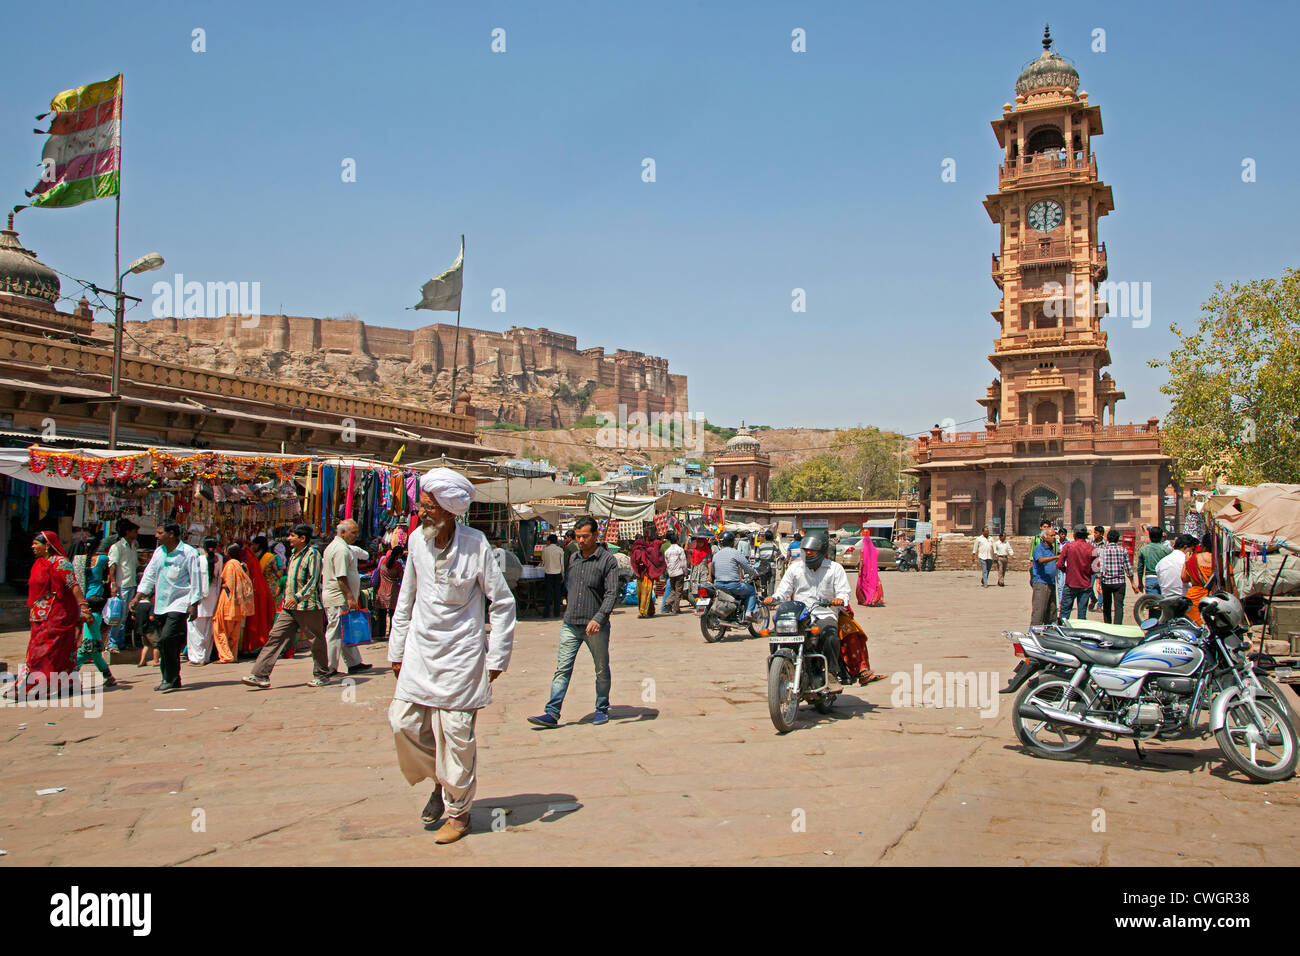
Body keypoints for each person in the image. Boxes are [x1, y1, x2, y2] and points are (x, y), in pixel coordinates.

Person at [389, 468, 515, 844]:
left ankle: (458, 815)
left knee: (457, 736)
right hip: (420, 653)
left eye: (429, 507)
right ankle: (441, 781)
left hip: (462, 656)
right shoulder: (415, 541)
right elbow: (405, 599)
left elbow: (503, 602)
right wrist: (396, 650)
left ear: (449, 510)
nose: (422, 512)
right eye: (422, 505)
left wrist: (497, 658)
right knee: (402, 723)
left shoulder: (476, 545)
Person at [528, 514, 619, 730]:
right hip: (570, 623)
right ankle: (552, 712)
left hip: (595, 626)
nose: (581, 540)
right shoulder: (574, 559)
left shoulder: (607, 561)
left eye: (585, 536)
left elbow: (611, 594)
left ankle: (601, 708)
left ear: (595, 535)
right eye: (578, 537)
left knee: (601, 669)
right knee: (562, 669)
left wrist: (599, 618)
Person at [6, 532, 93, 700]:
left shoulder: (61, 563)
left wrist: (84, 607)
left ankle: (34, 687)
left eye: (35, 544)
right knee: (52, 651)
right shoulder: (39, 563)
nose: (32, 547)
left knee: (44, 653)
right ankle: (67, 685)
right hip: (40, 615)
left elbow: (73, 585)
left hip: (58, 616)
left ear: (47, 545)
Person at [243, 523, 331, 689]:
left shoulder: (313, 554)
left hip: (308, 607)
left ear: (302, 538)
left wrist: (297, 597)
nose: (288, 539)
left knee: (315, 642)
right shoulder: (293, 555)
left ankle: (322, 674)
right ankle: (260, 674)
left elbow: (313, 581)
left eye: (292, 536)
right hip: (289, 607)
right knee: (275, 637)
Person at [764, 530, 852, 691]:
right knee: (776, 634)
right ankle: (779, 670)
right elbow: (783, 591)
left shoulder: (835, 569)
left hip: (824, 613)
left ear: (822, 550)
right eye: (806, 550)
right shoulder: (795, 568)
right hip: (799, 614)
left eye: (813, 550)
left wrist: (839, 599)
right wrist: (774, 598)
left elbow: (844, 592)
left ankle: (831, 673)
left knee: (831, 635)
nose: (809, 553)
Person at [130, 523, 203, 693]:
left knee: (166, 639)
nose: (156, 536)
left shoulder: (188, 553)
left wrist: (194, 605)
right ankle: (170, 678)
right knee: (167, 644)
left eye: (159, 533)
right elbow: (149, 576)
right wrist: (138, 597)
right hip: (161, 604)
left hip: (179, 603)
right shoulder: (158, 552)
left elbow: (196, 580)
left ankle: (170, 677)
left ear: (171, 534)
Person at [323, 519, 371, 676]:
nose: (356, 535)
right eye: (353, 532)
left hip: (340, 597)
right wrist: (350, 597)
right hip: (338, 597)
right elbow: (341, 576)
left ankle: (354, 663)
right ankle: (329, 667)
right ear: (343, 532)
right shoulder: (340, 550)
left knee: (345, 629)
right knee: (335, 632)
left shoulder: (342, 547)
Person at [212, 543, 254, 663]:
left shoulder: (230, 565)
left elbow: (229, 585)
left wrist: (222, 584)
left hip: (228, 601)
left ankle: (226, 656)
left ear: (227, 552)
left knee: (220, 629)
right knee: (234, 632)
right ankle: (233, 655)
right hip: (239, 603)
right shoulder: (242, 565)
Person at [187, 537, 223, 665]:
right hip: (213, 597)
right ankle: (205, 657)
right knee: (208, 629)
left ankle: (197, 658)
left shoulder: (199, 559)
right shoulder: (219, 559)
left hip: (200, 597)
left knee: (195, 628)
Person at [106, 518, 140, 652]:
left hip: (131, 584)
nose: (136, 533)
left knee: (124, 616)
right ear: (127, 532)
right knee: (118, 615)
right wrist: (113, 584)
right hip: (122, 584)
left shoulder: (133, 546)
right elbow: (112, 566)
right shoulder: (117, 547)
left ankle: (120, 642)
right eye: (134, 531)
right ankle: (111, 643)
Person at [711, 531, 759, 622]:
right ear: (732, 542)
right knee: (752, 591)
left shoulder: (716, 555)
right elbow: (747, 567)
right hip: (733, 585)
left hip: (719, 585)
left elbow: (713, 570)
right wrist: (755, 574)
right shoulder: (735, 553)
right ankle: (749, 613)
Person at [1056, 524, 1097, 620]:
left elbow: (1059, 564)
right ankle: (1080, 633)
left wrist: (1067, 571)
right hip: (1085, 585)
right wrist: (1087, 572)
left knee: (1065, 613)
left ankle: (1062, 632)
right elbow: (1096, 568)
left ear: (1074, 535)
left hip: (1070, 584)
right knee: (1082, 614)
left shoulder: (1068, 547)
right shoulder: (1091, 549)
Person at [1096, 529, 1135, 625]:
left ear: (1107, 539)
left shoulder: (1102, 551)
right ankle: (1118, 626)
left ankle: (1108, 625)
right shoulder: (1123, 550)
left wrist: (1098, 583)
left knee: (1107, 606)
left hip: (1106, 582)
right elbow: (1128, 568)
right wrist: (1133, 583)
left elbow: (1099, 568)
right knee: (1119, 607)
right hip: (1119, 582)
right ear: (1118, 539)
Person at [1181, 531, 1218, 625]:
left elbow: (1184, 578)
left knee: (1195, 628)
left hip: (1195, 599)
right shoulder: (1219, 560)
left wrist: (1186, 562)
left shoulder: (1193, 558)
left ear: (1203, 545)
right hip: (1214, 599)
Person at [372, 545, 406, 639]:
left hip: (381, 590)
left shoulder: (382, 561)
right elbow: (402, 578)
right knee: (393, 614)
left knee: (382, 614)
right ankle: (392, 635)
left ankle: (380, 634)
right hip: (393, 591)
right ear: (399, 555)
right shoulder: (398, 565)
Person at [630, 529, 664, 618]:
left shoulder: (639, 550)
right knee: (645, 593)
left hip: (644, 574)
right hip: (646, 574)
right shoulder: (647, 549)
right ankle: (650, 610)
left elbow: (638, 563)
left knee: (644, 593)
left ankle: (642, 612)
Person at [1029, 525, 1060, 627]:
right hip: (1041, 583)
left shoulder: (1051, 548)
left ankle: (1049, 633)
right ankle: (1034, 633)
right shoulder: (1039, 548)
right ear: (1044, 537)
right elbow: (1041, 560)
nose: (1054, 537)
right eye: (1052, 535)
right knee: (1039, 611)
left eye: (1054, 535)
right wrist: (1055, 557)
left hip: (1051, 582)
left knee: (1052, 611)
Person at [1156, 534, 1197, 599]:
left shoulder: (1161, 562)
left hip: (1165, 599)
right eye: (1191, 549)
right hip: (1184, 599)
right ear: (1185, 547)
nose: (1192, 552)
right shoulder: (1187, 561)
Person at [1135, 525, 1171, 597]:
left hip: (1150, 579)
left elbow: (1140, 568)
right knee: (1164, 603)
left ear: (1150, 537)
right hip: (1163, 579)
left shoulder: (1143, 549)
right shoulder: (1167, 550)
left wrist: (1140, 583)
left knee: (1153, 603)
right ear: (1161, 537)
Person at [540, 533, 566, 618]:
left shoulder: (545, 550)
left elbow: (543, 562)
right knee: (557, 594)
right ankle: (556, 612)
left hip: (548, 573)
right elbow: (562, 564)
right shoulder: (560, 550)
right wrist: (563, 574)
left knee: (548, 594)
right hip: (557, 573)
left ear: (549, 541)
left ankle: (546, 613)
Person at [661, 532, 687, 613]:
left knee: (673, 590)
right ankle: (675, 608)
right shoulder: (680, 550)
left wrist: (669, 571)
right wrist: (685, 572)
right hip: (679, 572)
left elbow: (666, 562)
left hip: (671, 573)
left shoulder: (667, 551)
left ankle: (668, 602)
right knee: (678, 591)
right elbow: (683, 562)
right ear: (677, 541)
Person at [855, 535, 884, 606]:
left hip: (864, 571)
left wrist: (859, 570)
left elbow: (862, 561)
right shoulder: (875, 550)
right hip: (873, 571)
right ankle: (874, 599)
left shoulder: (863, 550)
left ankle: (865, 599)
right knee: (874, 584)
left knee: (863, 585)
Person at [685, 533, 712, 605]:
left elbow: (709, 563)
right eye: (699, 542)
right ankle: (697, 606)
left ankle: (703, 606)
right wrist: (688, 539)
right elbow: (686, 549)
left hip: (704, 572)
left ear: (704, 542)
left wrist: (710, 574)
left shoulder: (707, 551)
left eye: (701, 542)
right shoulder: (694, 550)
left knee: (703, 589)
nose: (700, 544)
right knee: (694, 590)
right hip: (695, 572)